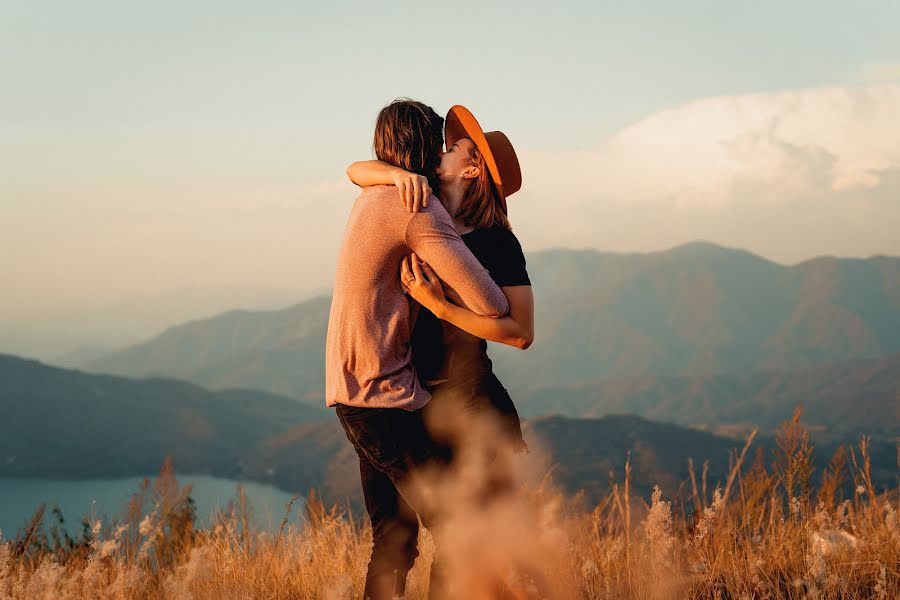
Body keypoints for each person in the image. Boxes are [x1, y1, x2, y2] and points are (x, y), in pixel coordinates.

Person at [324, 99, 510, 600]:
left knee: (393, 538)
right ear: (426, 149)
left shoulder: (371, 195)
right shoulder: (415, 207)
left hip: (351, 392)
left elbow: (356, 171)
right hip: (386, 399)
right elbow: (491, 304)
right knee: (460, 528)